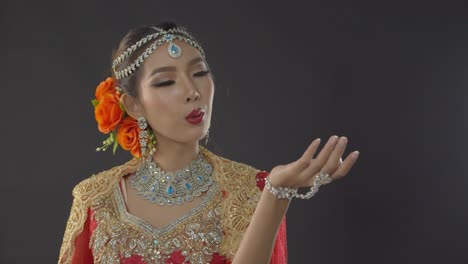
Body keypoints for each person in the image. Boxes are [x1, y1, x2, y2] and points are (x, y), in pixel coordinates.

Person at [58, 21, 360, 264]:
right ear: (133, 105)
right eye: (166, 82)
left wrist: (277, 194)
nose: (192, 91)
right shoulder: (95, 200)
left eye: (200, 73)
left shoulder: (252, 190)